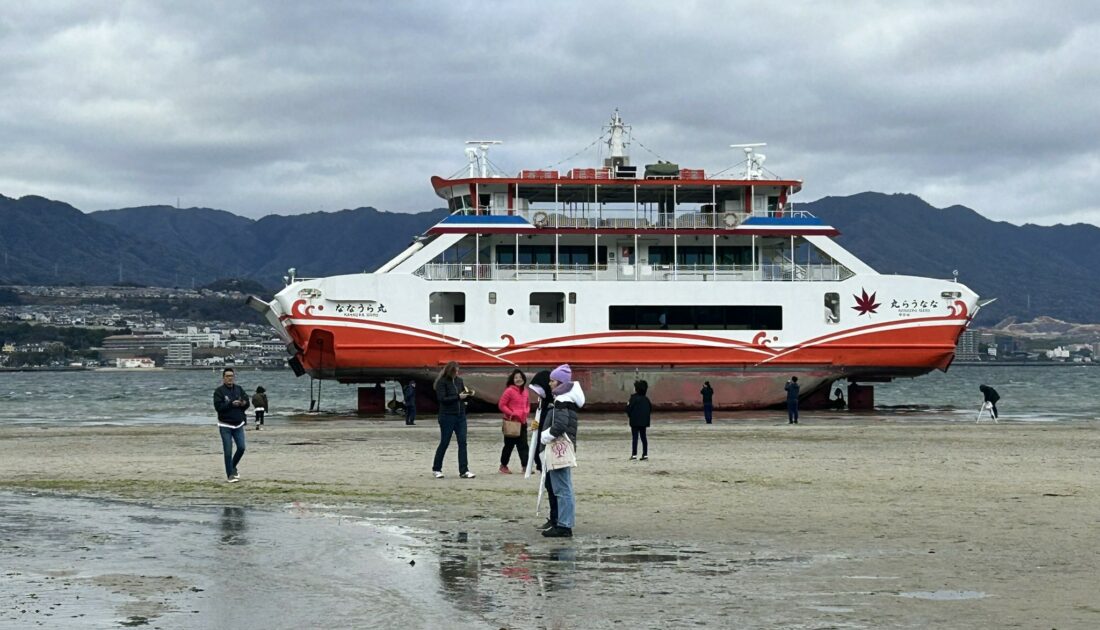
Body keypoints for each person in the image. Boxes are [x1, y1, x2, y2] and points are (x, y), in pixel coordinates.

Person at [540, 364, 584, 538]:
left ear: (559, 382)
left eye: (552, 381)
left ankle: (564, 526)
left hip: (560, 448)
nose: (550, 384)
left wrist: (545, 436)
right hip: (567, 446)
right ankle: (564, 524)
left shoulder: (561, 399)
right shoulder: (568, 399)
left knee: (562, 488)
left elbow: (560, 425)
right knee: (565, 486)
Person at [432, 361, 475, 479]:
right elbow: (442, 399)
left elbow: (461, 395)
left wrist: (468, 396)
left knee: (463, 442)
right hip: (447, 416)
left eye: (457, 370)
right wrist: (458, 397)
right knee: (445, 442)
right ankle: (436, 468)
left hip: (460, 415)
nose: (456, 373)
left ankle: (464, 470)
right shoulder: (442, 382)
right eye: (454, 371)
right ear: (449, 371)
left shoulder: (459, 381)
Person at [529, 369, 558, 530]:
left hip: (550, 454)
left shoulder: (553, 407)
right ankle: (554, 517)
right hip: (541, 453)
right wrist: (536, 427)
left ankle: (556, 518)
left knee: (554, 487)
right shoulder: (543, 405)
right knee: (549, 486)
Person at [213, 368, 249, 483]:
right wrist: (230, 404)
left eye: (231, 376)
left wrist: (242, 403)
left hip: (238, 424)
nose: (230, 378)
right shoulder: (219, 391)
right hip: (225, 425)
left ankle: (232, 467)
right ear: (223, 378)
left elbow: (247, 402)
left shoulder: (239, 389)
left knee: (242, 447)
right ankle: (230, 475)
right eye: (227, 376)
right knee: (228, 451)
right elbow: (218, 408)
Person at [498, 369, 530, 474]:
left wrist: (526, 411)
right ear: (512, 379)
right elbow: (501, 405)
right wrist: (512, 413)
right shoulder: (509, 391)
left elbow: (527, 404)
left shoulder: (525, 391)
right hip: (511, 423)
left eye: (520, 377)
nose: (518, 379)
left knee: (524, 445)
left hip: (523, 422)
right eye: (516, 377)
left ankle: (525, 467)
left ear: (524, 379)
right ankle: (503, 466)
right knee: (509, 446)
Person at [626, 379, 651, 460]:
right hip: (644, 422)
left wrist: (630, 416)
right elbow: (650, 409)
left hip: (634, 421)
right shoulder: (646, 399)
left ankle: (634, 454)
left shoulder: (633, 398)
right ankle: (645, 454)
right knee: (644, 437)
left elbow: (628, 409)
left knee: (635, 438)